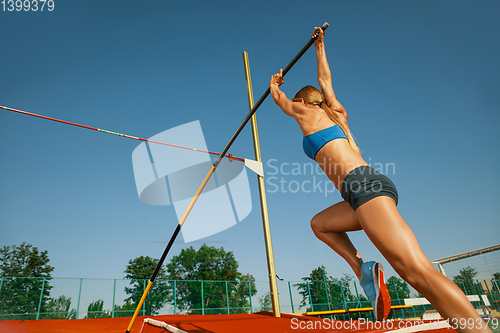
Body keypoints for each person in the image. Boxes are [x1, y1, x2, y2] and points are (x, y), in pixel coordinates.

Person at [269, 27, 492, 332]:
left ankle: (477, 329)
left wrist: (274, 85)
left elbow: (281, 102)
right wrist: (320, 48)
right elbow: (326, 82)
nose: (296, 108)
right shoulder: (336, 113)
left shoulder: (308, 114)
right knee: (320, 224)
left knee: (417, 272)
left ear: (305, 103)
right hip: (360, 192)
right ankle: (364, 269)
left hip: (364, 188)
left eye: (299, 102)